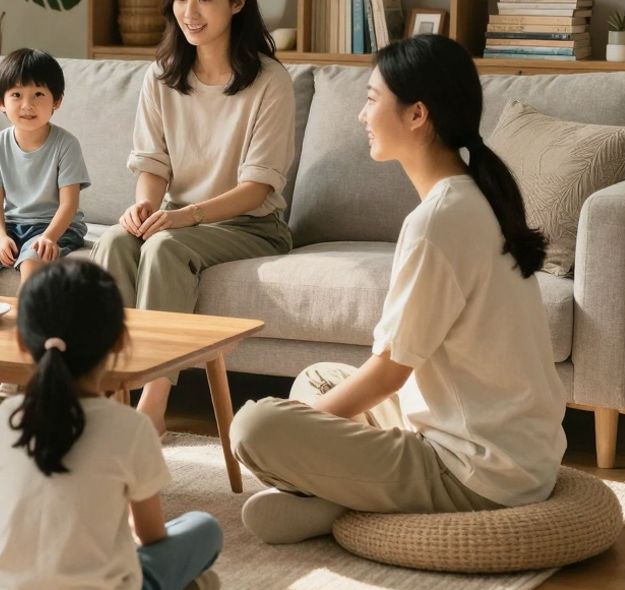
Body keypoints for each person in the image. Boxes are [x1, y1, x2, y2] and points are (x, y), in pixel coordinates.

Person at [229, 34, 567, 544]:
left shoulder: (440, 220)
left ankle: (337, 497)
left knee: (254, 429)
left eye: (371, 99)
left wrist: (297, 432)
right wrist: (312, 432)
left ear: (417, 115)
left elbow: (389, 373)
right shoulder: (472, 195)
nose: (362, 116)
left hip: (476, 469)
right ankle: (335, 500)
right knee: (319, 379)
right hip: (506, 447)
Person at [91, 0, 296, 433]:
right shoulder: (161, 76)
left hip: (252, 224)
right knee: (116, 240)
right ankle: (111, 397)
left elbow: (255, 188)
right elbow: (153, 164)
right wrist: (142, 207)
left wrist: (180, 218)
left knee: (164, 249)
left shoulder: (271, 81)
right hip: (178, 217)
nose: (190, 12)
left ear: (238, 2)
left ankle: (153, 408)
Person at [0, 258, 222, 590]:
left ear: (21, 341)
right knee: (203, 528)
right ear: (120, 340)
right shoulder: (131, 428)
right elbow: (150, 536)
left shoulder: (8, 417)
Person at [0, 48, 91, 401]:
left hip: (56, 225)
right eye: (16, 95)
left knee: (31, 262)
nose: (26, 104)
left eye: (38, 95)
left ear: (56, 102)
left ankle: (19, 363)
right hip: (11, 225)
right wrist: (0, 237)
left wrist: (49, 236)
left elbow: (70, 204)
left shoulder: (66, 144)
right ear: (1, 102)